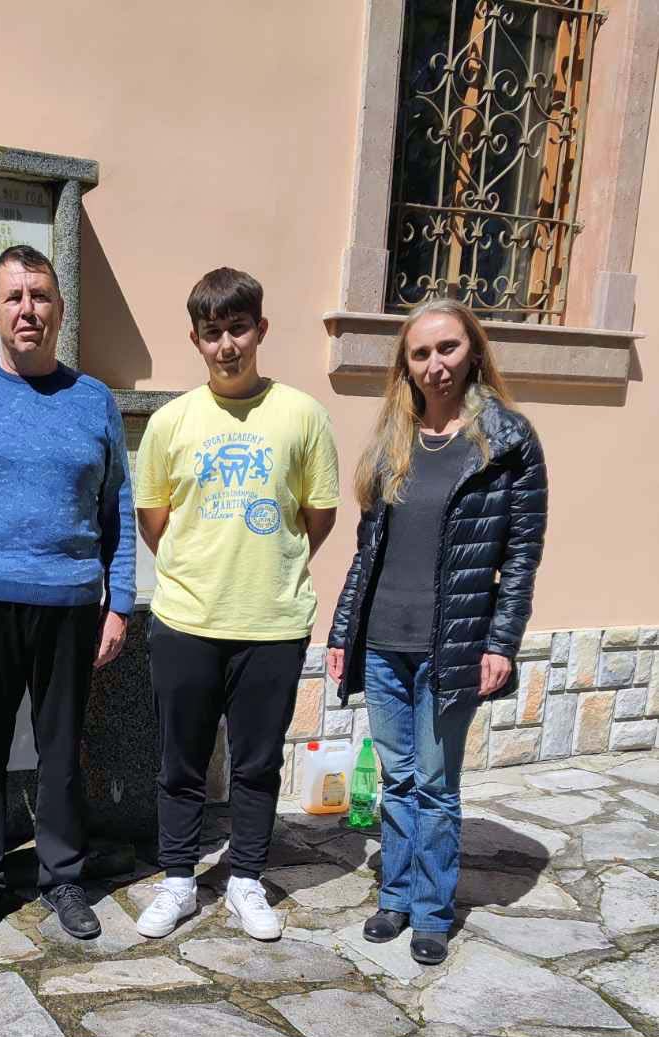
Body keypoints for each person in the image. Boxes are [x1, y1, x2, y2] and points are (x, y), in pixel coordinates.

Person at [0, 244, 136, 944]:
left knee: (61, 750)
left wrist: (119, 602)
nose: (28, 309)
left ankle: (62, 875)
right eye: (14, 297)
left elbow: (117, 511)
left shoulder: (94, 401)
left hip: (70, 603)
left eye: (40, 296)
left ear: (60, 310)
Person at [327, 299, 547, 965]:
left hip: (451, 647)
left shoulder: (508, 441)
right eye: (420, 353)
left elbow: (521, 555)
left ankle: (430, 910)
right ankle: (394, 896)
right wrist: (343, 631)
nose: (435, 364)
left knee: (435, 782)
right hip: (383, 643)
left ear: (473, 350)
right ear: (406, 365)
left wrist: (500, 643)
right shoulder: (393, 440)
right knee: (396, 778)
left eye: (447, 348)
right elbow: (367, 551)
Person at [131, 267, 339, 940]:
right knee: (180, 763)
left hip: (271, 623)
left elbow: (318, 515)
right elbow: (154, 519)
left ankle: (246, 877)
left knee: (256, 763)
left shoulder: (303, 416)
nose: (227, 345)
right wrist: (204, 568)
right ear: (195, 339)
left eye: (238, 329)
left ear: (261, 329)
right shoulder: (171, 421)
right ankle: (177, 879)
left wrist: (265, 565)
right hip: (186, 620)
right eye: (212, 332)